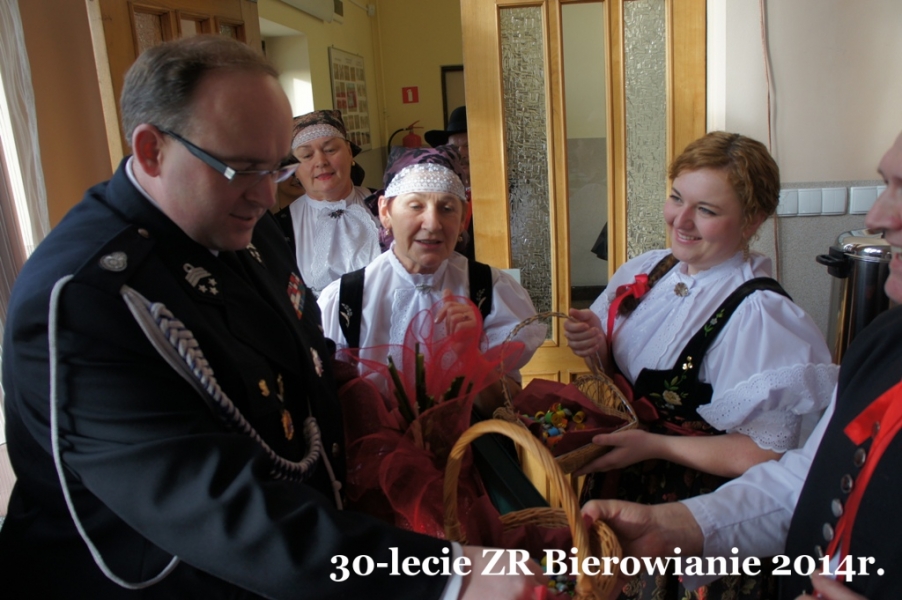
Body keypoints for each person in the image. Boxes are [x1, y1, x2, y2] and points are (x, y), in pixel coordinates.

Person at [0, 35, 545, 599]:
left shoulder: (243, 221)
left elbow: (303, 359)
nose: (265, 195)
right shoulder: (86, 299)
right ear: (151, 150)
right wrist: (445, 574)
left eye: (274, 168)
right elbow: (216, 510)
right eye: (240, 169)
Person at [583, 130, 902, 600]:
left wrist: (657, 448)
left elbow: (770, 454)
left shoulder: (762, 318)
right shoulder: (884, 343)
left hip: (697, 494)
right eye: (677, 198)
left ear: (752, 220)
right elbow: (803, 478)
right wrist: (598, 347)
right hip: (647, 494)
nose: (875, 217)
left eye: (707, 210)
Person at [317, 145, 545, 391]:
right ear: (385, 212)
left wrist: (470, 356)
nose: (433, 224)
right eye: (416, 206)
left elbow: (507, 402)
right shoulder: (344, 299)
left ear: (462, 218)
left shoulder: (492, 290)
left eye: (447, 209)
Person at [275, 109, 382, 297]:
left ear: (349, 153)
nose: (321, 161)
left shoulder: (387, 204)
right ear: (295, 169)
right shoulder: (279, 227)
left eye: (330, 150)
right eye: (307, 155)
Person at [425, 106, 474, 259]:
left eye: (468, 146)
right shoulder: (437, 192)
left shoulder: (507, 194)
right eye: (454, 147)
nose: (461, 153)